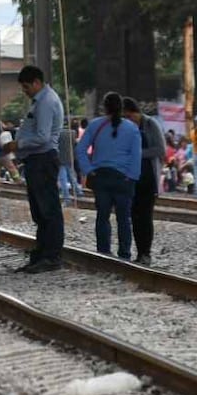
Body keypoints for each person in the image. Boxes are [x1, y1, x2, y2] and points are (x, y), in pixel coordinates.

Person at [9, 65, 66, 273]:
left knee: (48, 209)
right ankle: (42, 253)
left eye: (26, 87)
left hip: (43, 160)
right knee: (40, 211)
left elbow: (42, 137)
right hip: (37, 161)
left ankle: (51, 256)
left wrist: (18, 144)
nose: (25, 91)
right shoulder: (40, 100)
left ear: (36, 82)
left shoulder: (46, 102)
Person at [76, 92, 142, 259]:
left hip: (101, 177)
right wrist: (131, 176)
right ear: (121, 107)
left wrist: (89, 170)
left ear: (104, 107)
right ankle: (124, 254)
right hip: (123, 178)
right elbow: (136, 156)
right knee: (124, 219)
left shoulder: (95, 125)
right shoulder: (132, 128)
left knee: (102, 216)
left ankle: (103, 252)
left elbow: (80, 150)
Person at [123, 97, 166, 266]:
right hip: (132, 178)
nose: (127, 120)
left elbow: (160, 149)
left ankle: (145, 252)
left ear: (134, 113)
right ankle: (139, 251)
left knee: (145, 216)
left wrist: (136, 153)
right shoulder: (125, 127)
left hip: (148, 178)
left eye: (128, 116)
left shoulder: (150, 125)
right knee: (134, 215)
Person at [57, 124, 81, 206]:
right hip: (69, 157)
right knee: (71, 176)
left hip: (60, 159)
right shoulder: (72, 133)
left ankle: (67, 198)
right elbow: (75, 145)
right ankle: (78, 191)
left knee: (63, 179)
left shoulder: (57, 133)